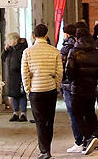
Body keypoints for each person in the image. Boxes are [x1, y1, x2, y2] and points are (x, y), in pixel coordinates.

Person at [65, 22, 98, 155]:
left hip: (78, 87)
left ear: (77, 38)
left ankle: (87, 138)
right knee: (89, 112)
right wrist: (96, 79)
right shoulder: (96, 50)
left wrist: (73, 80)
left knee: (77, 113)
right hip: (91, 86)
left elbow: (69, 70)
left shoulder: (74, 51)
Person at [22, 24, 63, 159]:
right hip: (50, 89)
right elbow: (59, 72)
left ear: (34, 36)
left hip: (35, 90)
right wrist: (57, 86)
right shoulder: (54, 51)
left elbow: (25, 73)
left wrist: (28, 88)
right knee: (49, 120)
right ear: (46, 35)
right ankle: (48, 148)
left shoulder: (27, 52)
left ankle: (44, 150)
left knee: (39, 121)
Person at [60, 22, 83, 151]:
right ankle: (86, 138)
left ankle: (79, 141)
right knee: (82, 112)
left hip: (69, 85)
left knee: (73, 113)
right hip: (82, 83)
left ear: (67, 34)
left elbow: (63, 67)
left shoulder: (66, 48)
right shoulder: (81, 45)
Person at [2, 32, 30, 122]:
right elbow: (3, 58)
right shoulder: (10, 49)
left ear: (14, 40)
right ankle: (15, 113)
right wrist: (5, 50)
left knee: (21, 95)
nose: (8, 42)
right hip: (12, 76)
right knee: (14, 95)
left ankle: (23, 113)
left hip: (20, 75)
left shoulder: (22, 48)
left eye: (9, 40)